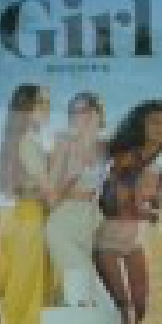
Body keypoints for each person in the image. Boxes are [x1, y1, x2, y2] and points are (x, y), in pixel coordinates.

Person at [95, 100, 162, 324]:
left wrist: (155, 201)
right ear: (141, 125)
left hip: (135, 241)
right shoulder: (127, 157)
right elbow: (113, 205)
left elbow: (154, 211)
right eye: (155, 122)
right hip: (109, 240)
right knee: (125, 309)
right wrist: (142, 207)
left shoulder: (158, 163)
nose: (161, 128)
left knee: (140, 308)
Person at [0, 84, 52, 324]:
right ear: (29, 110)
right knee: (30, 296)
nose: (47, 111)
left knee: (17, 291)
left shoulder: (13, 142)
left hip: (18, 219)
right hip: (32, 221)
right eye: (43, 105)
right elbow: (47, 189)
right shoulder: (29, 142)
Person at [45, 92, 108, 310]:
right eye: (74, 112)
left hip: (88, 223)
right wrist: (72, 180)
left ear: (98, 113)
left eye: (85, 110)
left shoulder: (104, 148)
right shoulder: (64, 143)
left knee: (82, 290)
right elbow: (50, 195)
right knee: (83, 286)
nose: (80, 116)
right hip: (63, 223)